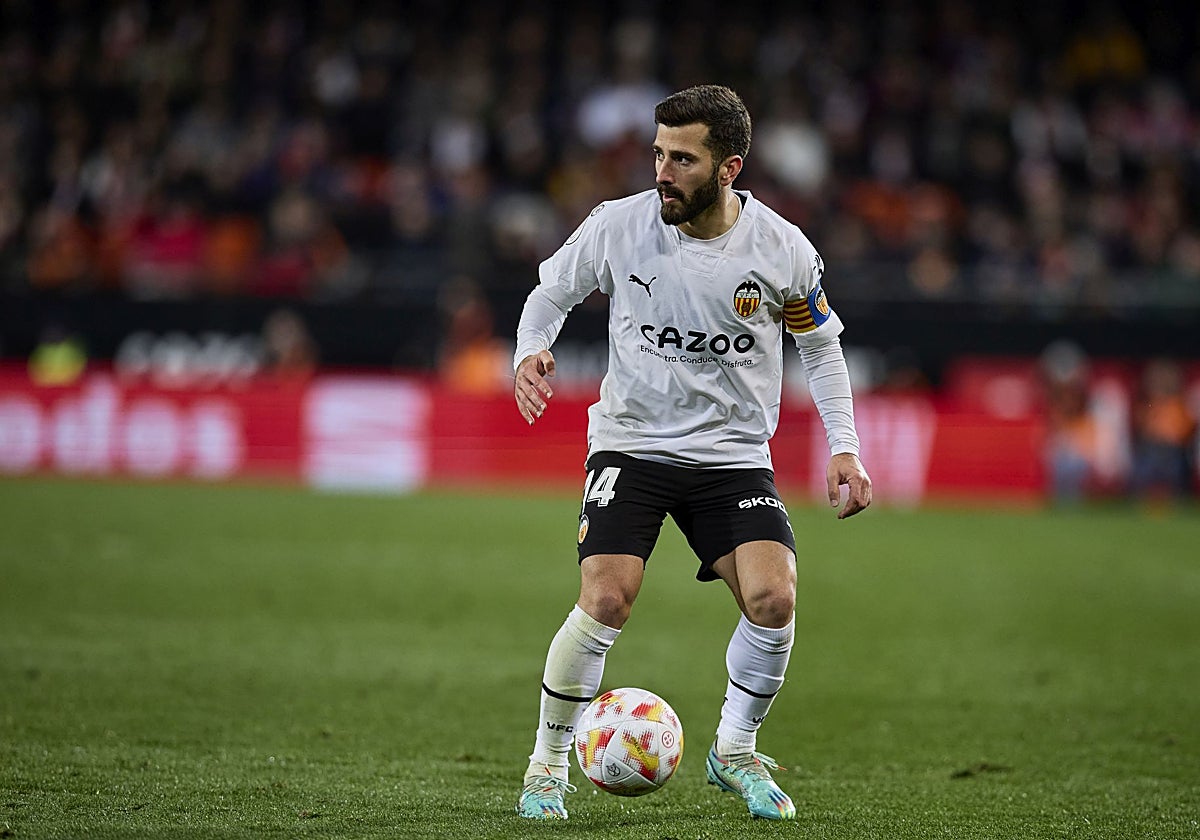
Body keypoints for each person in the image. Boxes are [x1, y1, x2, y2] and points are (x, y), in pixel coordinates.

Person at [512, 85, 872, 822]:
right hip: (633, 444)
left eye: (682, 158)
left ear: (729, 168)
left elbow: (822, 347)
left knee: (775, 598)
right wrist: (529, 352)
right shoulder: (618, 227)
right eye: (657, 154)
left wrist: (845, 448)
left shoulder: (782, 250)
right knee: (606, 595)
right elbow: (550, 293)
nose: (662, 171)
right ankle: (546, 765)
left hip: (734, 454)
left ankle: (733, 750)